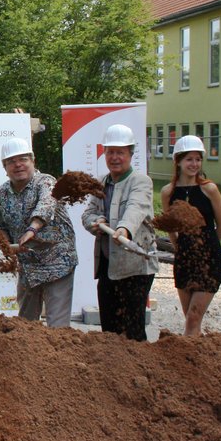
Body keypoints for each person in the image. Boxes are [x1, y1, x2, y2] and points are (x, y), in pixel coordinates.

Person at [82, 124, 158, 341]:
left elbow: (136, 208)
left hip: (135, 265)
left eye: (120, 152)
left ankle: (139, 361)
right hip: (108, 265)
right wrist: (95, 222)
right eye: (110, 152)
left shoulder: (140, 181)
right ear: (104, 154)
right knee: (109, 327)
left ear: (130, 154)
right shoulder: (101, 182)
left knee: (132, 328)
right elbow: (88, 213)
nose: (114, 157)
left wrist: (124, 229)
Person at [0, 138, 77, 327]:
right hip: (27, 265)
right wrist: (7, 246)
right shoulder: (3, 192)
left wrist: (32, 229)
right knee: (26, 323)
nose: (18, 165)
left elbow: (46, 205)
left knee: (57, 325)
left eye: (23, 159)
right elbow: (2, 225)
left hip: (56, 261)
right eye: (11, 161)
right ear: (5, 167)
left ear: (32, 161)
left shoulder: (46, 181)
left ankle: (58, 346)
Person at [160, 135, 221, 336]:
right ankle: (195, 353)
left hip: (209, 260)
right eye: (189, 159)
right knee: (190, 319)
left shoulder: (209, 189)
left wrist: (206, 247)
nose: (194, 164)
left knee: (193, 317)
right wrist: (179, 246)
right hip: (184, 260)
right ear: (178, 161)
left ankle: (190, 353)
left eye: (198, 159)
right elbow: (170, 226)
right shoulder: (168, 192)